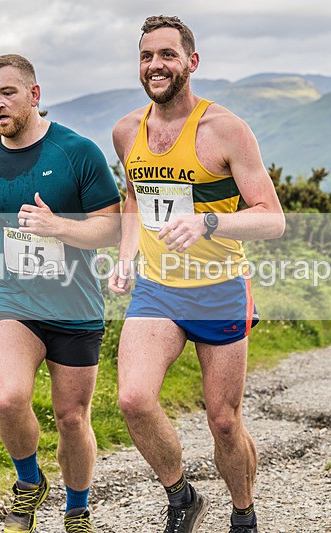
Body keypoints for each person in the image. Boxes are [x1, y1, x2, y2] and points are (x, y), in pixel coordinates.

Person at [108, 16, 285, 533]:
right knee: (134, 400)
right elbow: (133, 199)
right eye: (146, 56)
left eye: (166, 55)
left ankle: (243, 513)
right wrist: (126, 254)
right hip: (158, 290)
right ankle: (181, 495)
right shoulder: (126, 132)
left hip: (219, 288)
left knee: (224, 421)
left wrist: (208, 221)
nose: (155, 65)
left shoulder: (225, 130)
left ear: (191, 62)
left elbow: (272, 219)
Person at [0, 54, 121, 533]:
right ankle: (29, 484)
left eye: (7, 92)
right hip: (14, 303)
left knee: (72, 418)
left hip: (76, 306)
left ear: (34, 94)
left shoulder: (76, 152)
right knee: (8, 398)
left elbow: (112, 228)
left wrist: (57, 227)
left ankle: (77, 510)